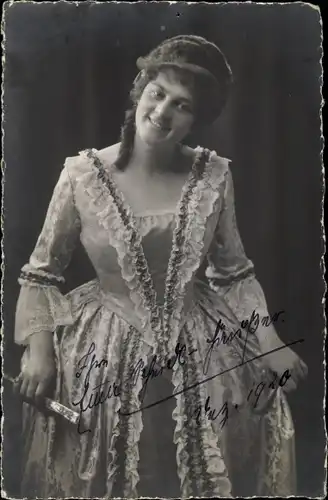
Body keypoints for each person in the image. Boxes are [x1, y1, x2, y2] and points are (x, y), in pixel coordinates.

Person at [13, 35, 308, 498]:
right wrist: (40, 350)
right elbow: (41, 273)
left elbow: (234, 273)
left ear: (197, 119)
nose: (164, 112)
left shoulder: (213, 176)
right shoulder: (82, 175)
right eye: (158, 93)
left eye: (183, 105)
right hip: (102, 347)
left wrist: (270, 342)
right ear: (140, 90)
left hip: (200, 344)